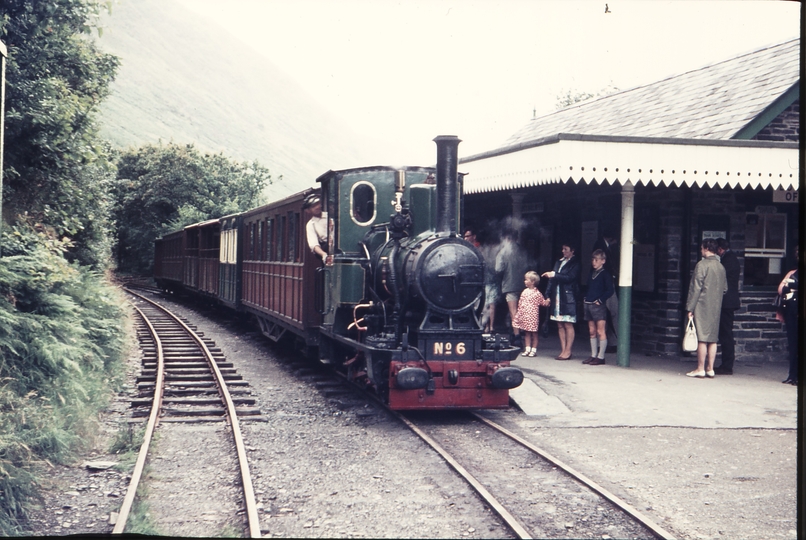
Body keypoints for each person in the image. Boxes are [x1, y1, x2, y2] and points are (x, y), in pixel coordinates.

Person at [684, 238, 727, 378]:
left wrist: (690, 307)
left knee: (702, 337)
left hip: (702, 305)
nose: (701, 250)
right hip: (716, 305)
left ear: (707, 249)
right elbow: (725, 289)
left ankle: (700, 368)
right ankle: (710, 368)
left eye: (702, 248)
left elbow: (695, 288)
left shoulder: (701, 265)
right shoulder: (721, 267)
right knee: (713, 338)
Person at [543, 243, 580, 360]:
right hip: (557, 295)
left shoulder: (576, 263)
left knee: (568, 323)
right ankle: (563, 350)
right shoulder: (558, 262)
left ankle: (568, 351)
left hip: (568, 297)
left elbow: (570, 278)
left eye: (566, 249)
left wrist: (554, 274)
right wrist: (547, 295)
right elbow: (551, 281)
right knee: (560, 324)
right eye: (562, 249)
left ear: (572, 251)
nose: (563, 251)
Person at [495, 229, 529, 345]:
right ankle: (525, 333)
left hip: (510, 285)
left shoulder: (503, 252)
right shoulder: (522, 250)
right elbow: (530, 264)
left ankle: (517, 336)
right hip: (525, 284)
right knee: (523, 310)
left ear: (506, 238)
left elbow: (498, 269)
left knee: (513, 311)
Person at [583, 249, 615, 365]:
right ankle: (593, 354)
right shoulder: (592, 273)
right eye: (593, 259)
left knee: (600, 330)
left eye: (596, 260)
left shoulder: (605, 274)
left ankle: (601, 356)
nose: (594, 262)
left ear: (603, 261)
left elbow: (609, 290)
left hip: (598, 305)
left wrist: (600, 300)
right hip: (588, 303)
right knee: (592, 331)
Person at [714, 238, 740, 375]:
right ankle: (726, 364)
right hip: (729, 301)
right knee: (725, 333)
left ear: (720, 249)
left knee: (726, 334)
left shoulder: (728, 260)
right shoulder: (731, 258)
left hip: (727, 302)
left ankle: (727, 365)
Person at [592, 228, 619, 351]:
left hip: (604, 284)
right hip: (606, 285)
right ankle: (613, 341)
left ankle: (610, 342)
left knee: (606, 314)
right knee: (612, 312)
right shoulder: (602, 248)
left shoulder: (603, 246)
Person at [512, 271, 551, 357]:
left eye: (526, 280)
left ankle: (533, 349)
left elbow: (543, 303)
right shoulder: (524, 291)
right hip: (525, 315)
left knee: (534, 333)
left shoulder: (537, 293)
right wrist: (519, 314)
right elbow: (520, 303)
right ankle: (527, 348)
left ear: (532, 282)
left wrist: (547, 301)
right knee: (527, 333)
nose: (524, 281)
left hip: (533, 316)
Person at [778, 246, 798, 385]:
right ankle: (792, 375)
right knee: (793, 344)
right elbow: (781, 289)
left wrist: (790, 288)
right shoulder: (792, 273)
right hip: (792, 312)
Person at [480, 233, 501, 333]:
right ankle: (490, 326)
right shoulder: (496, 253)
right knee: (490, 305)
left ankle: (488, 326)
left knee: (487, 305)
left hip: (488, 282)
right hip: (492, 281)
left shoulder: (484, 252)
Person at [304, 193, 328, 263]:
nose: (317, 207)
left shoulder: (330, 215)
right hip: (328, 250)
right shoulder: (311, 224)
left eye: (318, 204)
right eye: (313, 206)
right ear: (308, 211)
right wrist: (324, 254)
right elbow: (314, 245)